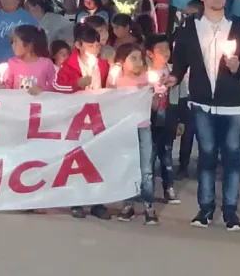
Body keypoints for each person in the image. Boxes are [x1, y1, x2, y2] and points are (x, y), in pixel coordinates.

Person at [166, 0, 240, 231]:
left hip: (233, 104)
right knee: (206, 155)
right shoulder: (190, 27)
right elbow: (180, 61)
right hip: (202, 103)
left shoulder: (238, 26)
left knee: (232, 157)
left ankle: (230, 212)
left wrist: (239, 67)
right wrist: (174, 78)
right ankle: (205, 209)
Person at [53, 23, 111, 220]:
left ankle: (97, 202)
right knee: (76, 159)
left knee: (98, 158)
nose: (95, 49)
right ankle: (76, 200)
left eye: (97, 45)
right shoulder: (68, 66)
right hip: (76, 119)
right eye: (90, 45)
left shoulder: (103, 65)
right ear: (78, 45)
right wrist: (76, 84)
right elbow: (56, 88)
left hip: (96, 117)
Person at [108, 42, 159, 225]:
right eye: (133, 58)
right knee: (128, 166)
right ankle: (127, 204)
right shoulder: (117, 79)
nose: (138, 62)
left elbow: (154, 106)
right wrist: (111, 88)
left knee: (146, 169)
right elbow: (109, 101)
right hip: (124, 129)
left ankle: (148, 205)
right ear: (122, 62)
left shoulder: (147, 79)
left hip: (143, 127)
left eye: (140, 58)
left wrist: (154, 94)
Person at [146, 33, 180, 205]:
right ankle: (148, 189)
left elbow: (181, 96)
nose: (165, 52)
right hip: (150, 118)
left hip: (168, 117)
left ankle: (169, 187)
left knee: (166, 153)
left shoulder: (174, 71)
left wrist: (181, 120)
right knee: (149, 154)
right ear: (150, 53)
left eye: (167, 48)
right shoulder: (145, 72)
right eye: (160, 49)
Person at [0, 25, 56, 93]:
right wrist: (3, 87)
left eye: (15, 41)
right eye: (12, 42)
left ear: (29, 45)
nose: (12, 45)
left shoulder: (46, 63)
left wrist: (42, 89)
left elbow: (53, 85)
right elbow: (8, 86)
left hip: (39, 99)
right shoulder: (12, 62)